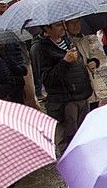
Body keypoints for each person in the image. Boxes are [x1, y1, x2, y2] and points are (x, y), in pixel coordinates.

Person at [32, 21, 92, 153]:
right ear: (46, 28)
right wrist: (64, 62)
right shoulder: (39, 48)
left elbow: (79, 60)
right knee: (69, 143)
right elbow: (46, 78)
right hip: (64, 101)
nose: (63, 28)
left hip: (82, 94)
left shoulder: (67, 38)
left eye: (62, 24)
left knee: (85, 137)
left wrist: (91, 62)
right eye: (58, 25)